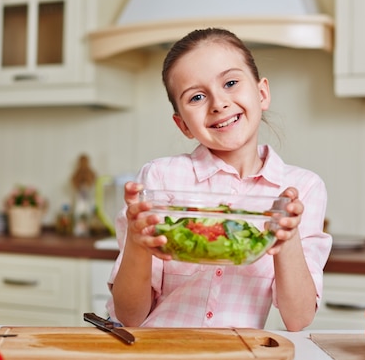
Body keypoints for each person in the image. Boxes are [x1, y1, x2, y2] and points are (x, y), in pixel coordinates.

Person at [105, 28, 332, 331]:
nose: (218, 103)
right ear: (183, 124)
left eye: (231, 83)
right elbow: (129, 316)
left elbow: (298, 318)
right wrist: (136, 241)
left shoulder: (303, 189)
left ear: (261, 93)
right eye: (197, 97)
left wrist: (287, 237)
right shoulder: (160, 178)